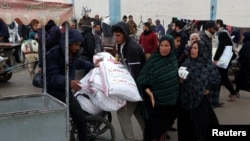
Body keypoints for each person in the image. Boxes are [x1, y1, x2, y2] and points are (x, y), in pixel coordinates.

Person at [45, 29, 101, 141]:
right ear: (68, 42)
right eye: (75, 44)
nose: (77, 48)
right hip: (53, 93)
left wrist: (92, 65)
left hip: (66, 91)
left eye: (79, 45)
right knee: (72, 121)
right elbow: (52, 76)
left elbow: (78, 63)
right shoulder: (53, 54)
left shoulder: (73, 53)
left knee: (79, 120)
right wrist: (69, 82)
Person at [136, 34, 179, 141]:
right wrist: (149, 93)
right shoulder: (153, 60)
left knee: (163, 129)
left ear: (171, 47)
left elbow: (174, 80)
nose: (163, 48)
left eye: (167, 46)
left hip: (170, 102)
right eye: (161, 45)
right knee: (152, 130)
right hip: (155, 103)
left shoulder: (173, 60)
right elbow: (142, 79)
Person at [177, 40, 220, 141]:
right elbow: (180, 76)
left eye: (195, 48)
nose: (192, 50)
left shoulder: (208, 65)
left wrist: (209, 88)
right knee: (186, 129)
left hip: (200, 101)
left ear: (202, 50)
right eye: (192, 48)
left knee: (202, 127)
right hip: (185, 100)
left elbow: (216, 79)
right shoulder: (187, 62)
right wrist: (180, 80)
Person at [111, 21, 146, 141]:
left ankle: (130, 138)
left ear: (125, 34)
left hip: (137, 86)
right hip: (133, 84)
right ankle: (151, 136)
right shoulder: (122, 44)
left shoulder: (132, 48)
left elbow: (134, 74)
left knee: (123, 113)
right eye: (114, 35)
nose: (116, 38)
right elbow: (119, 57)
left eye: (118, 35)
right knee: (138, 113)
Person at [213, 31, 238, 102]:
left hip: (223, 61)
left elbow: (221, 47)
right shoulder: (225, 34)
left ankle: (233, 92)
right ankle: (217, 97)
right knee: (222, 78)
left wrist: (215, 58)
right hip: (226, 60)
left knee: (223, 78)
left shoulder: (222, 34)